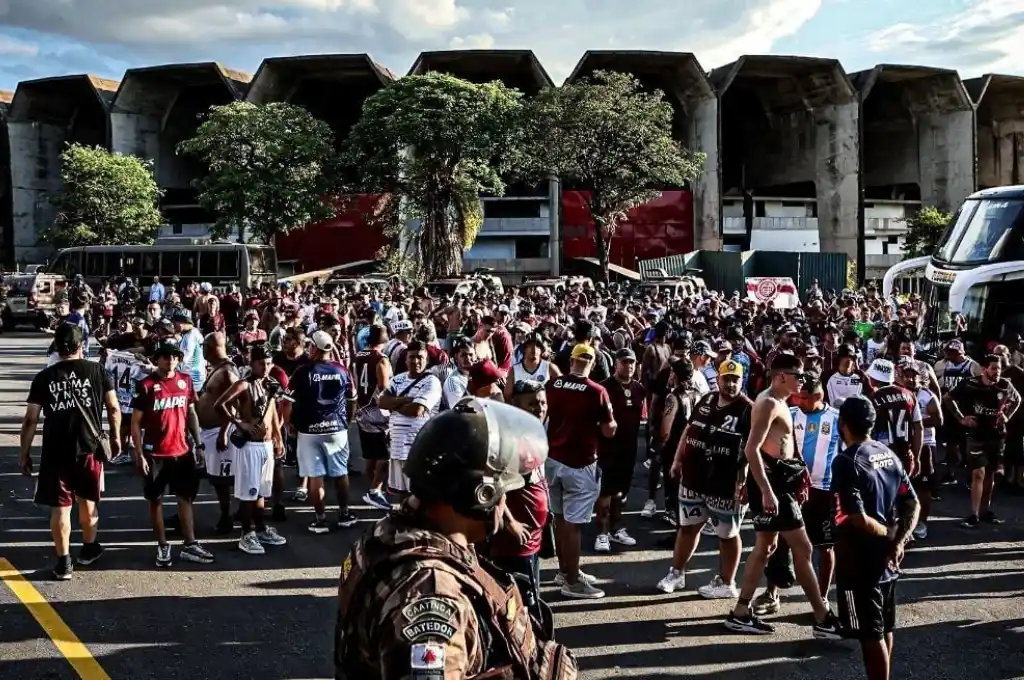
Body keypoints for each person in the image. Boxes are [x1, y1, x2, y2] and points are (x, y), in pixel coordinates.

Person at [334, 398, 578, 679]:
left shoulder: (390, 533)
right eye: (503, 490)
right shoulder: (433, 598)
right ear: (481, 495)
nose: (504, 501)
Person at [725, 353, 842, 637]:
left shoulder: (781, 402)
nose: (801, 382)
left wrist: (799, 471)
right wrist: (764, 490)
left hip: (780, 481)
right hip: (773, 485)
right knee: (803, 549)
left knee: (765, 547)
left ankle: (741, 612)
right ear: (781, 377)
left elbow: (786, 443)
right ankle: (823, 618)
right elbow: (752, 448)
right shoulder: (767, 403)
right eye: (797, 376)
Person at [20, 324, 122, 580]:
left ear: (56, 345)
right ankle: (88, 549)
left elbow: (31, 419)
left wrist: (25, 452)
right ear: (81, 345)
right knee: (88, 501)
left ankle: (63, 562)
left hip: (55, 451)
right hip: (89, 448)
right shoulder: (97, 370)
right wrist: (117, 437)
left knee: (61, 508)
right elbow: (113, 408)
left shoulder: (44, 377)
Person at [831, 396, 921, 680]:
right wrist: (898, 542)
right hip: (887, 561)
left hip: (859, 561)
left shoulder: (846, 461)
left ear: (842, 424)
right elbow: (913, 504)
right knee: (885, 628)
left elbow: (856, 517)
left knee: (870, 634)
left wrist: (889, 536)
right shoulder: (887, 452)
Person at [658, 359, 752, 597]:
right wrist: (678, 460)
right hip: (694, 477)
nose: (731, 384)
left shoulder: (748, 409)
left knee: (727, 535)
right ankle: (677, 574)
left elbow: (755, 449)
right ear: (718, 378)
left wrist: (747, 482)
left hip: (726, 484)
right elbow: (689, 430)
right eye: (726, 379)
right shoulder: (707, 400)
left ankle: (726, 582)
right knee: (688, 528)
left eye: (735, 379)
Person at [753, 375, 842, 615]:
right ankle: (772, 593)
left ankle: (821, 599)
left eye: (804, 398)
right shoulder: (789, 413)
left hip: (824, 491)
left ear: (819, 396)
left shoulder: (836, 419)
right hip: (790, 490)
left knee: (825, 547)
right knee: (778, 543)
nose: (799, 400)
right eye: (798, 397)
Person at [130, 341, 213, 568]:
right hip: (154, 454)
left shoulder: (185, 381)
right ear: (157, 359)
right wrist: (138, 453)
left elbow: (191, 412)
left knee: (185, 497)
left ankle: (190, 544)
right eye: (166, 357)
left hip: (181, 451)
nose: (171, 361)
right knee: (156, 501)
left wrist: (199, 444)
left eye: (175, 357)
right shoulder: (146, 385)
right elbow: (135, 423)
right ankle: (162, 545)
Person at [545, 343, 616, 599]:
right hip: (581, 463)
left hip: (552, 460)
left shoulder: (552, 385)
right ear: (593, 363)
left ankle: (566, 571)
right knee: (573, 525)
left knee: (561, 519)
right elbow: (610, 430)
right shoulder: (597, 391)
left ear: (571, 361)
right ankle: (573, 581)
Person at [215, 345, 288, 554]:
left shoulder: (270, 384)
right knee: (249, 493)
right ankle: (246, 534)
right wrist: (239, 424)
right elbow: (220, 404)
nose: (265, 367)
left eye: (268, 363)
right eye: (260, 363)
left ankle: (261, 529)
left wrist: (278, 437)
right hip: (249, 446)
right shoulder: (243, 385)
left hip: (266, 445)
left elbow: (273, 411)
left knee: (262, 492)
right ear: (252, 363)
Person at [288, 330, 359, 532]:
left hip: (309, 430)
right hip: (336, 427)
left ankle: (320, 519)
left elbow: (289, 402)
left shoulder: (303, 371)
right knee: (340, 472)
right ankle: (344, 513)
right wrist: (348, 421)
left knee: (315, 476)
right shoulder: (341, 370)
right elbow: (352, 399)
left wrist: (289, 424)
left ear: (315, 348)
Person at [945, 353, 1021, 527]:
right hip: (976, 435)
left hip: (996, 436)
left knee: (990, 475)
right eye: (993, 369)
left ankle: (985, 511)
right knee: (978, 473)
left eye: (999, 369)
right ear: (984, 369)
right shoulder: (970, 384)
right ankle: (973, 515)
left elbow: (1017, 399)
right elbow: (948, 398)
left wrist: (1006, 416)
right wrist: (961, 418)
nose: (997, 372)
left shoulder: (1004, 385)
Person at [595, 348, 646, 552]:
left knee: (621, 491)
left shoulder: (639, 389)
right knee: (605, 491)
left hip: (629, 448)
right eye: (624, 362)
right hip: (608, 448)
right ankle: (602, 533)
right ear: (616, 364)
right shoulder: (604, 388)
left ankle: (617, 528)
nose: (629, 366)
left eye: (632, 362)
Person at [196, 332, 242, 534]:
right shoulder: (217, 369)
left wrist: (224, 431)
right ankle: (230, 513)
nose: (202, 351)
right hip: (209, 431)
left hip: (219, 431)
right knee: (217, 479)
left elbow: (234, 404)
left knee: (224, 480)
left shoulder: (227, 373)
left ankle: (228, 515)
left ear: (212, 348)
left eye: (204, 346)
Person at [353, 324, 393, 511]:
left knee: (370, 454)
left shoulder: (357, 356)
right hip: (377, 412)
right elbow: (383, 389)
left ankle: (375, 490)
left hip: (361, 409)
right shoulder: (382, 360)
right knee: (385, 455)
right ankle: (375, 490)